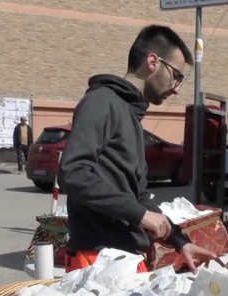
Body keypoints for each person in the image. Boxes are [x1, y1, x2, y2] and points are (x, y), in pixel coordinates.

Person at [58, 25, 217, 273]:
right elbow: (73, 172)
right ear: (153, 61)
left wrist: (178, 241)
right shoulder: (101, 102)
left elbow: (138, 196)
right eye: (176, 75)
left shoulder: (131, 115)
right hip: (97, 259)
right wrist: (140, 216)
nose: (176, 88)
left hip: (125, 258)